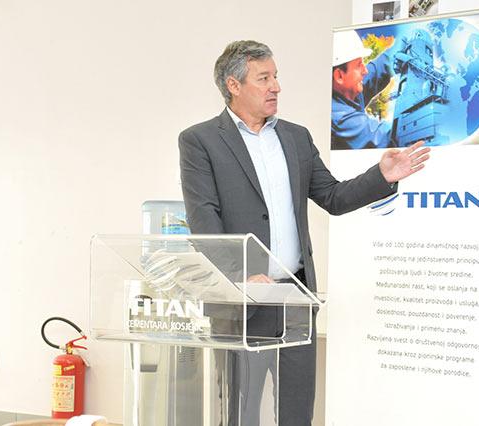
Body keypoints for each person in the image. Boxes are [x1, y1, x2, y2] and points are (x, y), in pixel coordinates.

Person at [179, 40, 430, 426]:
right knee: (241, 414)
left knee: (296, 416)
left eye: (276, 76)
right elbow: (204, 221)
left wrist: (381, 176)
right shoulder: (200, 141)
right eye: (264, 78)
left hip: (295, 301)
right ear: (233, 85)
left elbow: (333, 197)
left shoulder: (296, 137)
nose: (276, 87)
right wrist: (240, 276)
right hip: (242, 303)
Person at [331, 30, 394, 150]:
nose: (365, 71)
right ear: (339, 76)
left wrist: (400, 50)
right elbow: (388, 137)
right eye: (359, 65)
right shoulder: (340, 119)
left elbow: (378, 69)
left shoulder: (345, 90)